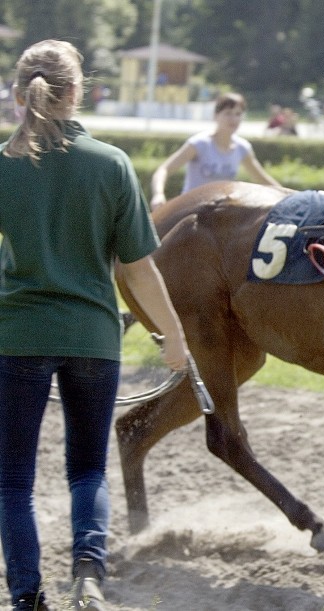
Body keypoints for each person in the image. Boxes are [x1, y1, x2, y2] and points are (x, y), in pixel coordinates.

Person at [0, 40, 190, 611]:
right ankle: (88, 574)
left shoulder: (4, 163)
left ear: (18, 94)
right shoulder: (111, 164)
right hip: (93, 339)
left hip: (17, 338)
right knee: (87, 470)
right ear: (80, 93)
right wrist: (174, 336)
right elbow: (138, 267)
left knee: (12, 483)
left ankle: (28, 597)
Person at [149, 92, 284, 209]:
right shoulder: (199, 144)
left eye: (238, 114)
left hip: (220, 214)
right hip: (190, 212)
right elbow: (164, 170)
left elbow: (262, 178)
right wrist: (158, 194)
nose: (234, 119)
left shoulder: (242, 148)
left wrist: (288, 197)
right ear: (216, 115)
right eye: (228, 113)